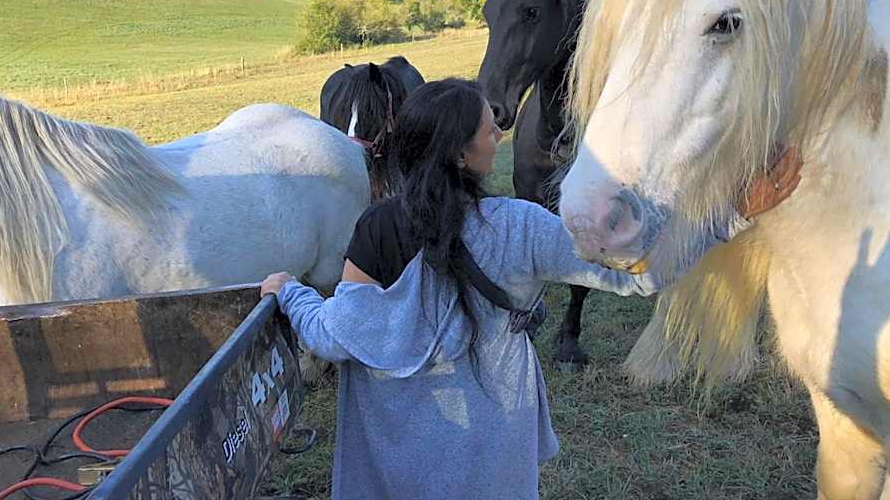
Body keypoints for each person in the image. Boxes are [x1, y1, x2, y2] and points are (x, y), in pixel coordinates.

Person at [260, 78, 801, 500]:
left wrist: (291, 292)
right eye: (487, 127)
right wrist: (728, 218)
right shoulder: (519, 226)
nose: (499, 133)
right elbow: (636, 274)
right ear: (458, 153)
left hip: (396, 449)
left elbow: (334, 339)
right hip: (493, 441)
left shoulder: (377, 229)